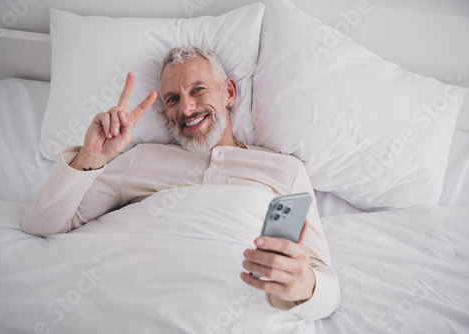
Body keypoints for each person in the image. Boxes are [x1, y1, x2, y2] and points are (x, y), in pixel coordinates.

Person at [22, 46, 340, 321]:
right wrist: (92, 154)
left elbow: (326, 287)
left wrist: (303, 284)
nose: (186, 109)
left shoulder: (284, 170)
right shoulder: (141, 159)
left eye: (198, 90)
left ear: (229, 92)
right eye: (173, 99)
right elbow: (43, 223)